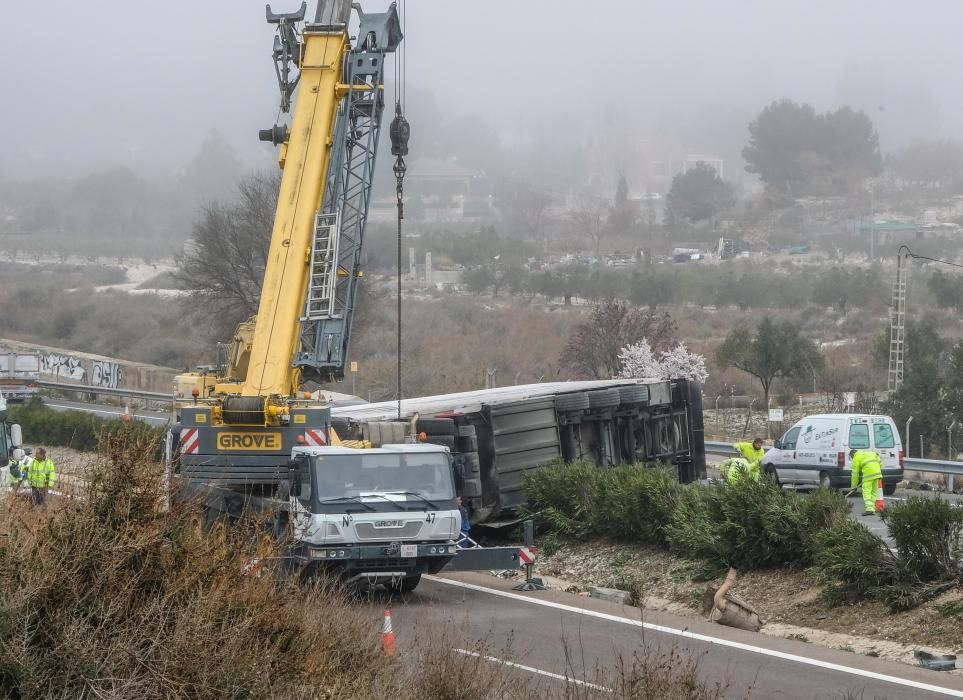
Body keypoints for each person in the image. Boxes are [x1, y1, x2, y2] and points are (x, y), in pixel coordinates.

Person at [850, 448, 882, 516]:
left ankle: (869, 509)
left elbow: (855, 474)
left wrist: (854, 486)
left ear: (852, 455)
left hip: (868, 475)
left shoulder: (856, 457)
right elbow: (877, 456)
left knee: (866, 491)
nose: (852, 459)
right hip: (877, 473)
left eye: (851, 457)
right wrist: (878, 468)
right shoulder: (869, 453)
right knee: (873, 491)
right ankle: (872, 508)